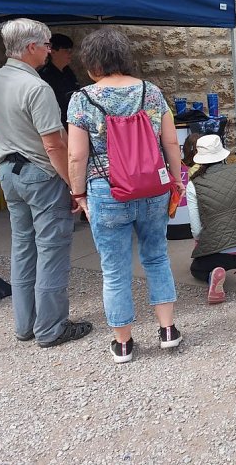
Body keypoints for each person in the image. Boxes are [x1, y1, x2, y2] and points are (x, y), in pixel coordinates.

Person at [67, 27, 184, 364]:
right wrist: (176, 179)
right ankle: (167, 331)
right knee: (157, 257)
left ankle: (123, 344)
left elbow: (76, 155)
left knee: (114, 269)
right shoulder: (151, 92)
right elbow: (170, 141)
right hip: (152, 188)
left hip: (106, 191)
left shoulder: (82, 99)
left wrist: (79, 194)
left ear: (92, 63)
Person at [0, 18, 92, 348]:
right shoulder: (37, 87)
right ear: (31, 47)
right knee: (52, 250)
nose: (48, 51)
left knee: (23, 247)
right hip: (40, 174)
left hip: (8, 172)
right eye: (46, 45)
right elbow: (54, 145)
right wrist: (75, 185)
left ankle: (25, 324)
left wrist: (13, 130)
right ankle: (51, 328)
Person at [186, 135, 236, 304]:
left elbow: (196, 230)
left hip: (218, 255)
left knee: (196, 269)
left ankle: (213, 275)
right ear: (221, 154)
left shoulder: (193, 185)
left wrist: (202, 244)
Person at [38, 33, 80, 127]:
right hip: (56, 123)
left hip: (72, 120)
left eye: (71, 50)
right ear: (53, 52)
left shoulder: (68, 72)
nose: (70, 54)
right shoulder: (44, 76)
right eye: (66, 50)